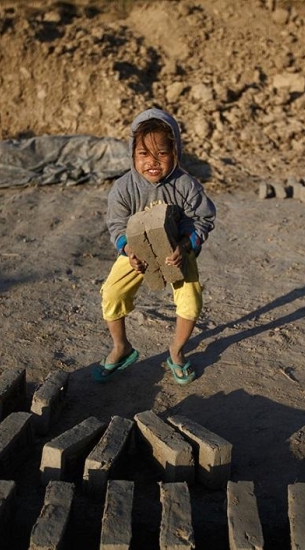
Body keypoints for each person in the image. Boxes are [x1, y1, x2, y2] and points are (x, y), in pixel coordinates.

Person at [94, 108, 216, 385]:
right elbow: (116, 224)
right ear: (132, 154)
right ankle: (121, 347)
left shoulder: (186, 185)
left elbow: (203, 218)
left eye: (161, 153)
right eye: (143, 154)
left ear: (175, 152)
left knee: (190, 301)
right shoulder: (124, 188)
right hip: (136, 252)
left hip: (178, 252)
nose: (152, 161)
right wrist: (128, 250)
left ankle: (176, 352)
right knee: (112, 294)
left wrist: (186, 246)